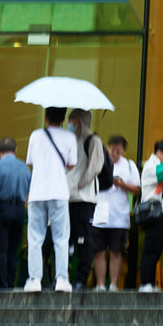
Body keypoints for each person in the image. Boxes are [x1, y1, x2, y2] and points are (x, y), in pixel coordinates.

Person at [25, 107, 78, 293]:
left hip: (37, 192)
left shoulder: (35, 135)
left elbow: (30, 161)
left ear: (45, 117)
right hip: (59, 192)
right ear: (64, 118)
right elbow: (71, 164)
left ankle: (34, 280)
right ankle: (62, 279)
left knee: (35, 238)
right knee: (61, 238)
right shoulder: (70, 138)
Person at [92, 135, 139, 291]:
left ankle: (113, 284)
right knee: (98, 252)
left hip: (119, 217)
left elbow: (137, 189)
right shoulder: (99, 163)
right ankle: (100, 284)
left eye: (118, 150)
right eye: (112, 149)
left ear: (123, 150)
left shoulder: (129, 166)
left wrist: (123, 185)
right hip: (99, 214)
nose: (115, 153)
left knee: (116, 252)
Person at [0, 137, 30, 290]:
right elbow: (29, 195)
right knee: (13, 250)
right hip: (18, 210)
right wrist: (22, 209)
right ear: (16, 151)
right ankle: (11, 284)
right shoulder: (25, 168)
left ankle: (2, 286)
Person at [66, 109, 106, 287]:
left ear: (81, 121)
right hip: (68, 198)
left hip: (84, 198)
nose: (70, 124)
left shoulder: (93, 140)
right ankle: (63, 277)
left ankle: (81, 279)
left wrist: (81, 183)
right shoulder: (71, 141)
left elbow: (96, 166)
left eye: (73, 120)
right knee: (66, 240)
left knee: (84, 239)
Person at [136, 139, 163, 292]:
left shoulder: (158, 167)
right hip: (153, 213)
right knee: (151, 248)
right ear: (159, 152)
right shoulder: (151, 166)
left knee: (156, 249)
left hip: (160, 214)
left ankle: (151, 283)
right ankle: (146, 283)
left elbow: (158, 189)